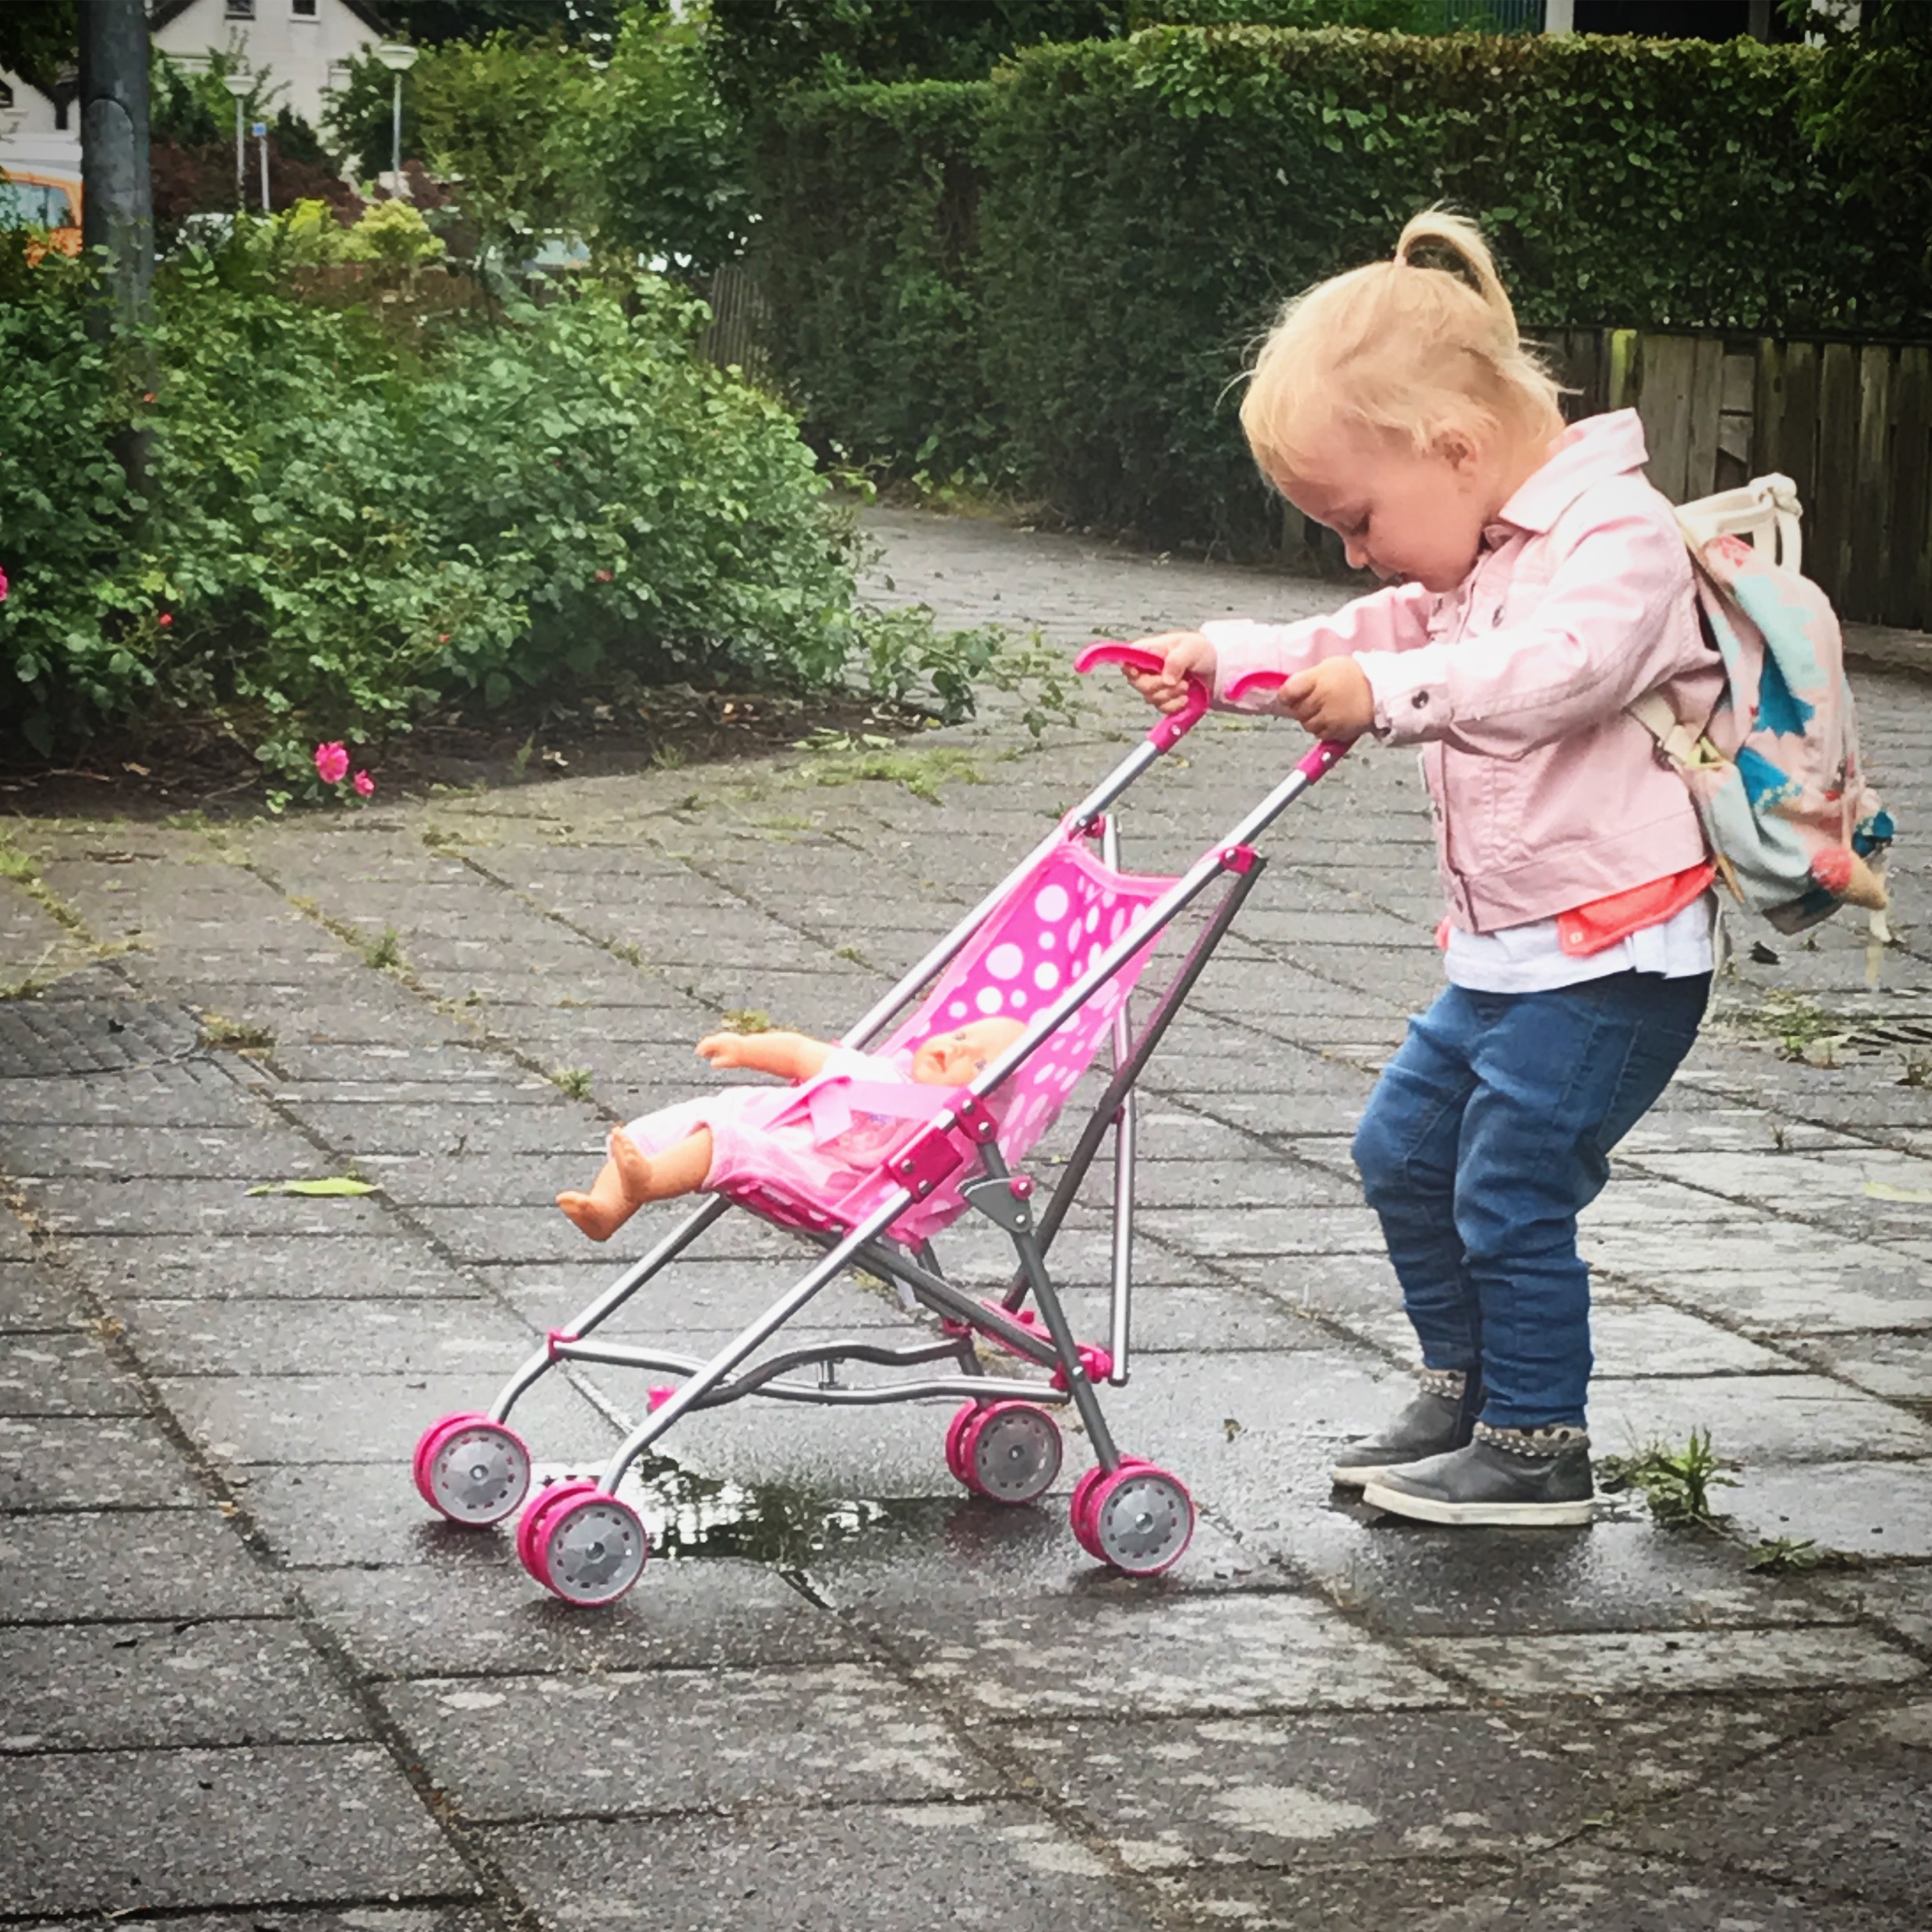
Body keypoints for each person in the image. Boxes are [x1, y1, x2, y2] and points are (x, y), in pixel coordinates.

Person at [1123, 209, 1722, 1528]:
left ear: (1452, 449)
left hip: (1614, 956)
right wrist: (1231, 659)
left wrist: (1387, 693)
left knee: (1508, 1185)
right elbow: (1373, 626)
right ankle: (1465, 1389)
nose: (1354, 548)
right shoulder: (1474, 556)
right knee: (1400, 1150)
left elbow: (1559, 670)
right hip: (1506, 954)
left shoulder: (1615, 540)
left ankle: (1535, 1439)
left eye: (1357, 517)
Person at [557, 1017, 1026, 1242]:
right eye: (961, 1036)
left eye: (980, 1065)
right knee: (662, 1127)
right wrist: (745, 1048)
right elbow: (802, 1053)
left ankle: (649, 1181)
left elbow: (951, 1173)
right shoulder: (879, 1071)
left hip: (818, 1173)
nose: (959, 1049)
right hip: (774, 1117)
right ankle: (606, 1208)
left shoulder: (946, 1131)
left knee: (725, 1141)